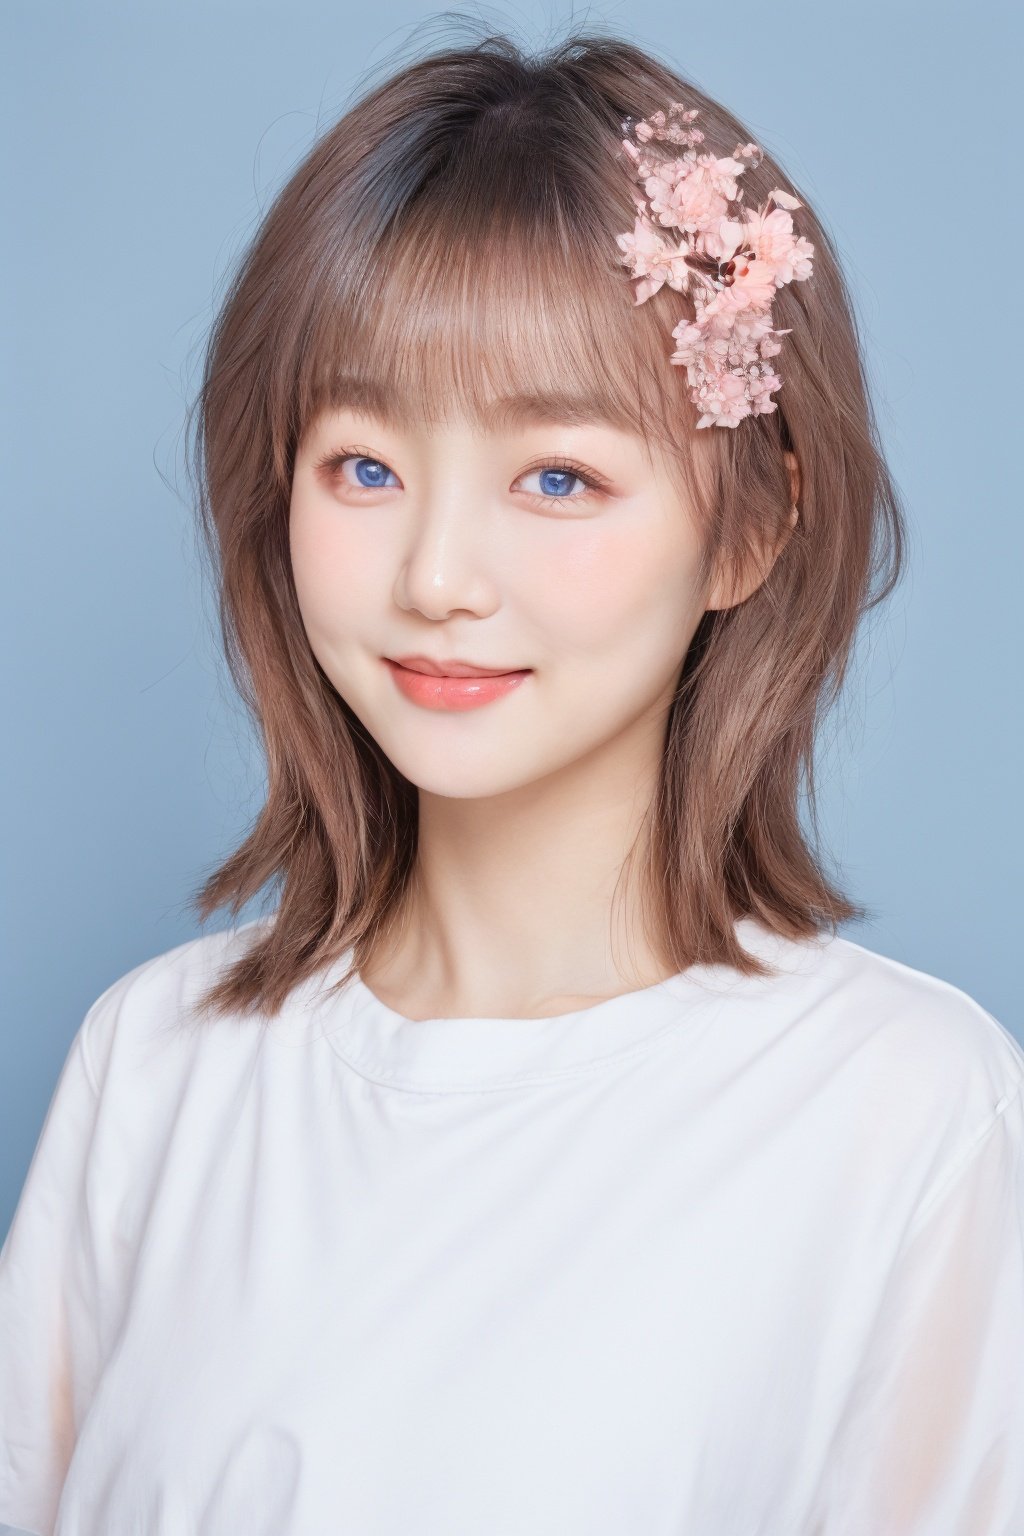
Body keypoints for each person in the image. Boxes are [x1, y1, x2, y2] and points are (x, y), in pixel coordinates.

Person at [2, 23, 1022, 1536]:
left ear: (746, 530)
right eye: (363, 467)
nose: (435, 575)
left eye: (558, 478)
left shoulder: (903, 1114)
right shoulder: (154, 1066)